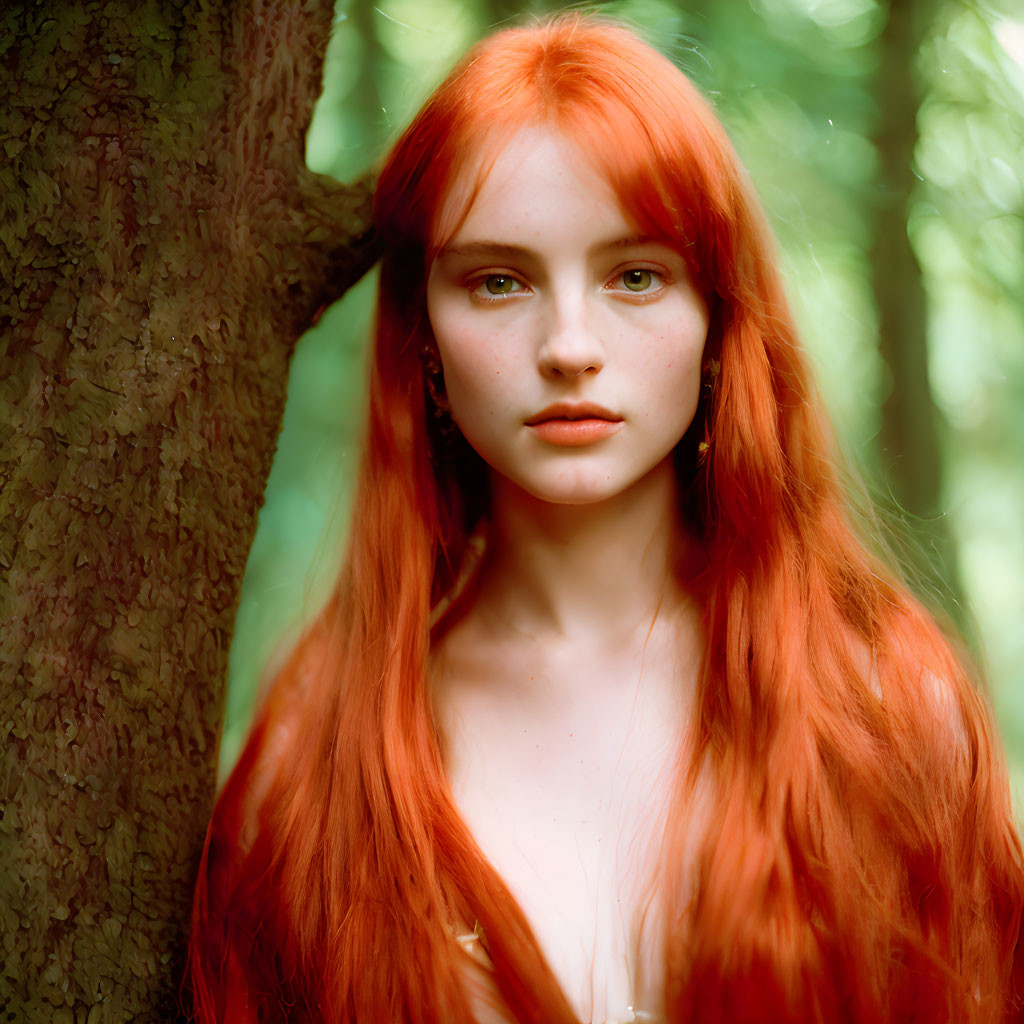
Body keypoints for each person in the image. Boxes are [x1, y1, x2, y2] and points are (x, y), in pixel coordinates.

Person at [187, 13, 1024, 1023]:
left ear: (718, 319)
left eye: (636, 275)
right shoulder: (317, 757)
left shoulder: (881, 702)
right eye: (499, 281)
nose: (569, 345)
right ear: (423, 337)